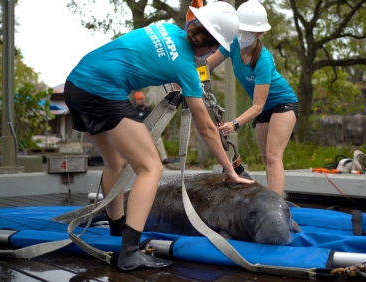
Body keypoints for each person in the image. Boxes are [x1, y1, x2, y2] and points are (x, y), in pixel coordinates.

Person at [64, 1, 254, 273]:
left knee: (115, 163)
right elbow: (208, 129)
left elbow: (156, 57)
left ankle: (118, 233)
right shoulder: (186, 67)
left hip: (76, 84)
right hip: (102, 90)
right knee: (151, 167)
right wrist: (229, 168)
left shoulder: (165, 28)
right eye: (214, 49)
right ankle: (129, 253)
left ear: (193, 24)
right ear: (211, 46)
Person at [207, 0, 299, 197]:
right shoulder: (231, 44)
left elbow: (258, 105)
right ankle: (272, 199)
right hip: (264, 109)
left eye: (248, 32)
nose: (242, 35)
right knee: (266, 158)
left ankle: (275, 205)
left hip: (283, 104)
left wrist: (235, 123)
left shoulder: (262, 60)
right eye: (240, 29)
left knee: (274, 156)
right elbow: (207, 65)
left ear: (259, 34)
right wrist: (183, 73)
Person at [133, 90, 173, 165]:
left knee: (159, 140)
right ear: (136, 101)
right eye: (139, 99)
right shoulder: (135, 111)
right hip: (140, 134)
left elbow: (155, 120)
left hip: (150, 131)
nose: (140, 101)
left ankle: (164, 158)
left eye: (141, 99)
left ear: (144, 99)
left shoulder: (149, 109)